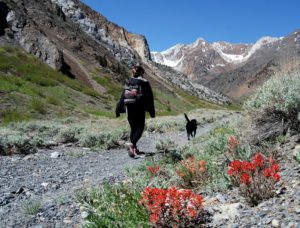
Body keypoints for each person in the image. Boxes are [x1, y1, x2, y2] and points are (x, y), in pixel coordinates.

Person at [115, 65, 155, 158]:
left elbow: (122, 96)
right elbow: (150, 98)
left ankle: (134, 149)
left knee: (133, 128)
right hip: (139, 107)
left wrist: (118, 109)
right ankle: (131, 143)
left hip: (128, 107)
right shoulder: (144, 82)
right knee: (140, 128)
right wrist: (152, 112)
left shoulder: (129, 82)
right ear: (142, 73)